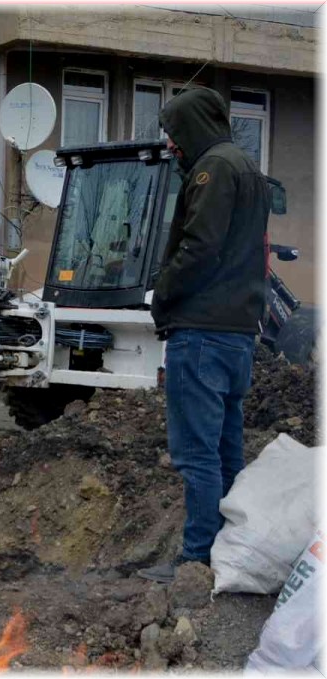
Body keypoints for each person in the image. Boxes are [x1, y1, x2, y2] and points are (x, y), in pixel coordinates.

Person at [137, 87, 270, 583]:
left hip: (203, 333)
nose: (171, 145)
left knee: (196, 454)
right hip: (237, 334)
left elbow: (199, 248)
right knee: (226, 451)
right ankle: (228, 551)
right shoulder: (248, 168)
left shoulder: (212, 170)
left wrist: (162, 296)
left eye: (174, 133)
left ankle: (196, 559)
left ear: (192, 127)